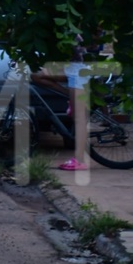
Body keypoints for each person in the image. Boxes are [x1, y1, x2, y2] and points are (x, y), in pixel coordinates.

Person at [31, 33, 93, 171]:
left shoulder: (72, 33)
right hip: (70, 69)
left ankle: (80, 160)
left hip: (79, 72)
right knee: (36, 75)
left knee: (79, 120)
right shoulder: (65, 30)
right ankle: (70, 97)